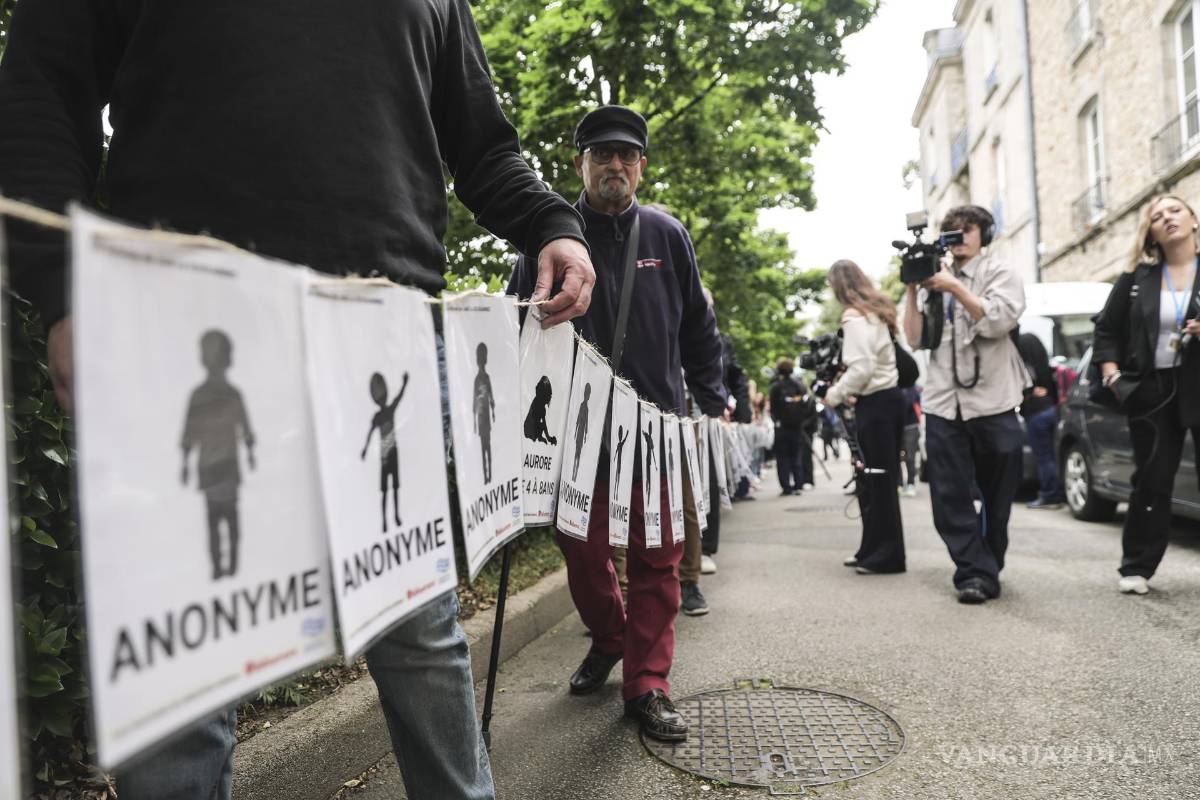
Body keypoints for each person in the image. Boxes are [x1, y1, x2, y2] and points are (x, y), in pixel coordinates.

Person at [0, 2, 596, 797]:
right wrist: (62, 283)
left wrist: (552, 223)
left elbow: (483, 147)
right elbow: (44, 84)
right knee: (186, 671)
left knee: (420, 635)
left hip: (387, 339)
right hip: (176, 318)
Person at [507, 105, 727, 742]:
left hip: (655, 429)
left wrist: (708, 396)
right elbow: (519, 326)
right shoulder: (548, 235)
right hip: (576, 433)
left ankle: (648, 682)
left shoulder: (666, 234)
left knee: (661, 556)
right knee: (582, 549)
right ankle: (608, 638)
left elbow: (697, 329)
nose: (614, 165)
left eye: (626, 155)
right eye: (601, 153)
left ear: (642, 167)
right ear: (580, 163)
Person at [903, 205, 1027, 605]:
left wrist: (956, 288)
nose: (957, 238)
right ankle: (973, 573)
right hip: (943, 402)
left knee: (998, 491)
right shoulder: (931, 278)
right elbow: (915, 339)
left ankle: (988, 560)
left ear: (983, 235)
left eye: (966, 230)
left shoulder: (1000, 272)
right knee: (949, 494)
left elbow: (999, 320)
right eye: (950, 232)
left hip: (994, 399)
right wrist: (912, 286)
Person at [1093, 194, 1200, 595]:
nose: (1167, 218)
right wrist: (1113, 376)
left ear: (1193, 219)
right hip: (1153, 390)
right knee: (1153, 479)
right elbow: (1106, 329)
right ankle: (1137, 565)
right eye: (1156, 216)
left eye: (1174, 210)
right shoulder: (1138, 279)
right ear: (1151, 233)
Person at [820, 260, 906, 575]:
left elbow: (862, 367)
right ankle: (874, 549)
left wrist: (834, 394)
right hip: (889, 400)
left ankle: (885, 555)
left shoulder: (853, 317)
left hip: (876, 404)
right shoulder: (877, 311)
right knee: (877, 480)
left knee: (876, 480)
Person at [1016, 333, 1066, 510]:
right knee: (1052, 455)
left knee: (1044, 457)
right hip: (1051, 410)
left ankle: (1050, 494)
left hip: (1036, 414)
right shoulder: (1044, 366)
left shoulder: (1026, 369)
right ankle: (1058, 491)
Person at [769, 359, 816, 495]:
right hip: (797, 427)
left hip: (782, 428)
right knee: (797, 456)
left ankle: (786, 486)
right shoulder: (799, 386)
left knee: (783, 458)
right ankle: (798, 484)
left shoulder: (776, 387)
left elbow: (773, 408)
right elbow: (806, 406)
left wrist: (777, 420)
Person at [898, 385, 921, 497]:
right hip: (896, 426)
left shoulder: (912, 388)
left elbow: (909, 403)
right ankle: (899, 484)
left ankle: (911, 483)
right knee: (896, 457)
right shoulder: (894, 385)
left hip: (911, 427)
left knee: (910, 457)